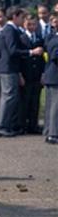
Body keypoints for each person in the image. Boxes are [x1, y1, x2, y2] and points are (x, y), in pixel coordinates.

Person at [0, 8, 42, 137]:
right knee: (8, 97)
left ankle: (7, 124)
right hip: (8, 68)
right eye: (22, 18)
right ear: (15, 17)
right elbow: (12, 50)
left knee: (10, 97)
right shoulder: (10, 30)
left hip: (10, 68)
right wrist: (30, 52)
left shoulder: (12, 30)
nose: (23, 21)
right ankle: (2, 125)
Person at [21, 14, 46, 134]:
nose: (31, 26)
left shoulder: (40, 39)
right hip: (26, 74)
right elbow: (19, 56)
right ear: (24, 24)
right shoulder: (21, 38)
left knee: (35, 100)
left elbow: (42, 59)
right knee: (25, 100)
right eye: (29, 24)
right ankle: (23, 125)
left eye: (34, 24)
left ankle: (33, 124)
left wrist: (43, 73)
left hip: (36, 74)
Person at [43, 13, 58, 144]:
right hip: (55, 76)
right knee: (55, 106)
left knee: (52, 106)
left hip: (52, 75)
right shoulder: (54, 39)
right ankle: (53, 133)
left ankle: (49, 131)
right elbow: (55, 56)